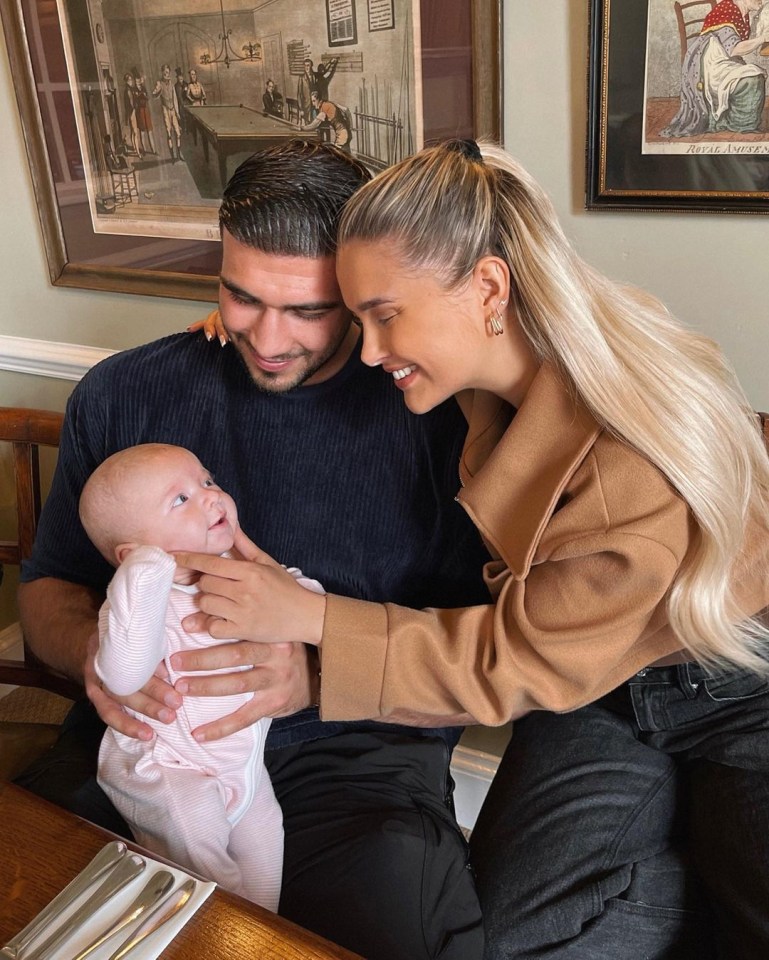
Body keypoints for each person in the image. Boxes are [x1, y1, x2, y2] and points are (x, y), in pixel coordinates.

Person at [179, 139, 769, 960]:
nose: (373, 348)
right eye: (355, 320)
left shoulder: (621, 461)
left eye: (384, 315)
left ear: (488, 288)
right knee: (521, 939)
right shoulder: (497, 373)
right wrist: (253, 321)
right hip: (600, 693)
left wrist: (311, 621)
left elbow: (508, 662)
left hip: (735, 678)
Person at [16, 140, 491, 960]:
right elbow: (49, 587)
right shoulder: (125, 392)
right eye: (241, 297)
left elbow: (488, 658)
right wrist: (93, 660)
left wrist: (317, 673)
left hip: (355, 758)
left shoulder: (436, 414)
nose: (268, 338)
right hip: (149, 753)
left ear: (359, 288)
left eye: (308, 309)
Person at [81, 443, 321, 908]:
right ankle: (217, 931)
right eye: (180, 499)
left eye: (207, 481)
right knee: (201, 851)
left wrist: (301, 600)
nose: (211, 497)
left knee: (266, 843)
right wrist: (145, 574)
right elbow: (124, 672)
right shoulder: (138, 604)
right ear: (132, 555)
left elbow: (302, 603)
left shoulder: (241, 569)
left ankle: (261, 930)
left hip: (241, 763)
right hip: (168, 765)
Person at [662, 0, 769, 138]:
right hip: (709, 64)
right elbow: (734, 48)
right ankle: (739, 124)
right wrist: (762, 39)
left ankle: (738, 120)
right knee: (752, 80)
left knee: (753, 74)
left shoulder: (743, 14)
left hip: (723, 59)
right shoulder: (727, 10)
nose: (761, 0)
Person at [152, 63, 184, 162]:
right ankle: (173, 157)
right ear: (162, 73)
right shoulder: (159, 83)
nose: (166, 74)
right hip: (165, 110)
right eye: (165, 72)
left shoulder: (171, 83)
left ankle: (179, 154)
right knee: (169, 133)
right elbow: (154, 95)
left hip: (173, 110)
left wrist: (177, 112)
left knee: (178, 133)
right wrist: (158, 91)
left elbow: (174, 98)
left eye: (168, 72)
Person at [297, 58, 316, 124]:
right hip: (305, 105)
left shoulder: (313, 76)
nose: (306, 67)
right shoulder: (301, 78)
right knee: (307, 123)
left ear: (310, 66)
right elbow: (299, 94)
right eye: (305, 65)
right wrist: (301, 108)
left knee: (313, 122)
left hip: (313, 104)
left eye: (308, 65)